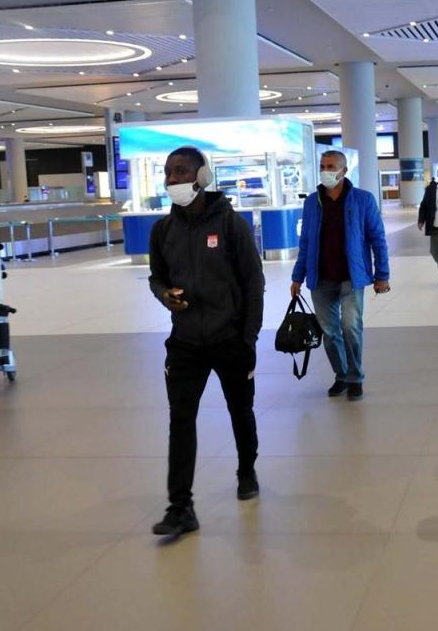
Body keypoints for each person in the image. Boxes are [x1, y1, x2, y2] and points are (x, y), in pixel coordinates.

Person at [148, 146, 265, 538]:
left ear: (202, 176)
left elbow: (254, 283)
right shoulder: (163, 231)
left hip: (229, 339)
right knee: (181, 420)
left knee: (240, 411)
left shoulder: (231, 225)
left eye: (181, 171)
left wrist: (248, 338)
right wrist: (165, 295)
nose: (173, 179)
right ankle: (180, 507)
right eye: (168, 172)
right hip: (184, 342)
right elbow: (156, 277)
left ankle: (246, 470)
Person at [290, 150, 391, 402]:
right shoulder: (312, 202)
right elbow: (305, 242)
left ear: (344, 171)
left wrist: (382, 274)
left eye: (331, 166)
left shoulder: (363, 200)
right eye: (322, 166)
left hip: (351, 277)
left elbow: (378, 239)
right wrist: (297, 276)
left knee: (350, 326)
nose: (325, 170)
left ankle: (355, 377)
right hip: (320, 278)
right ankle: (341, 375)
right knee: (330, 332)